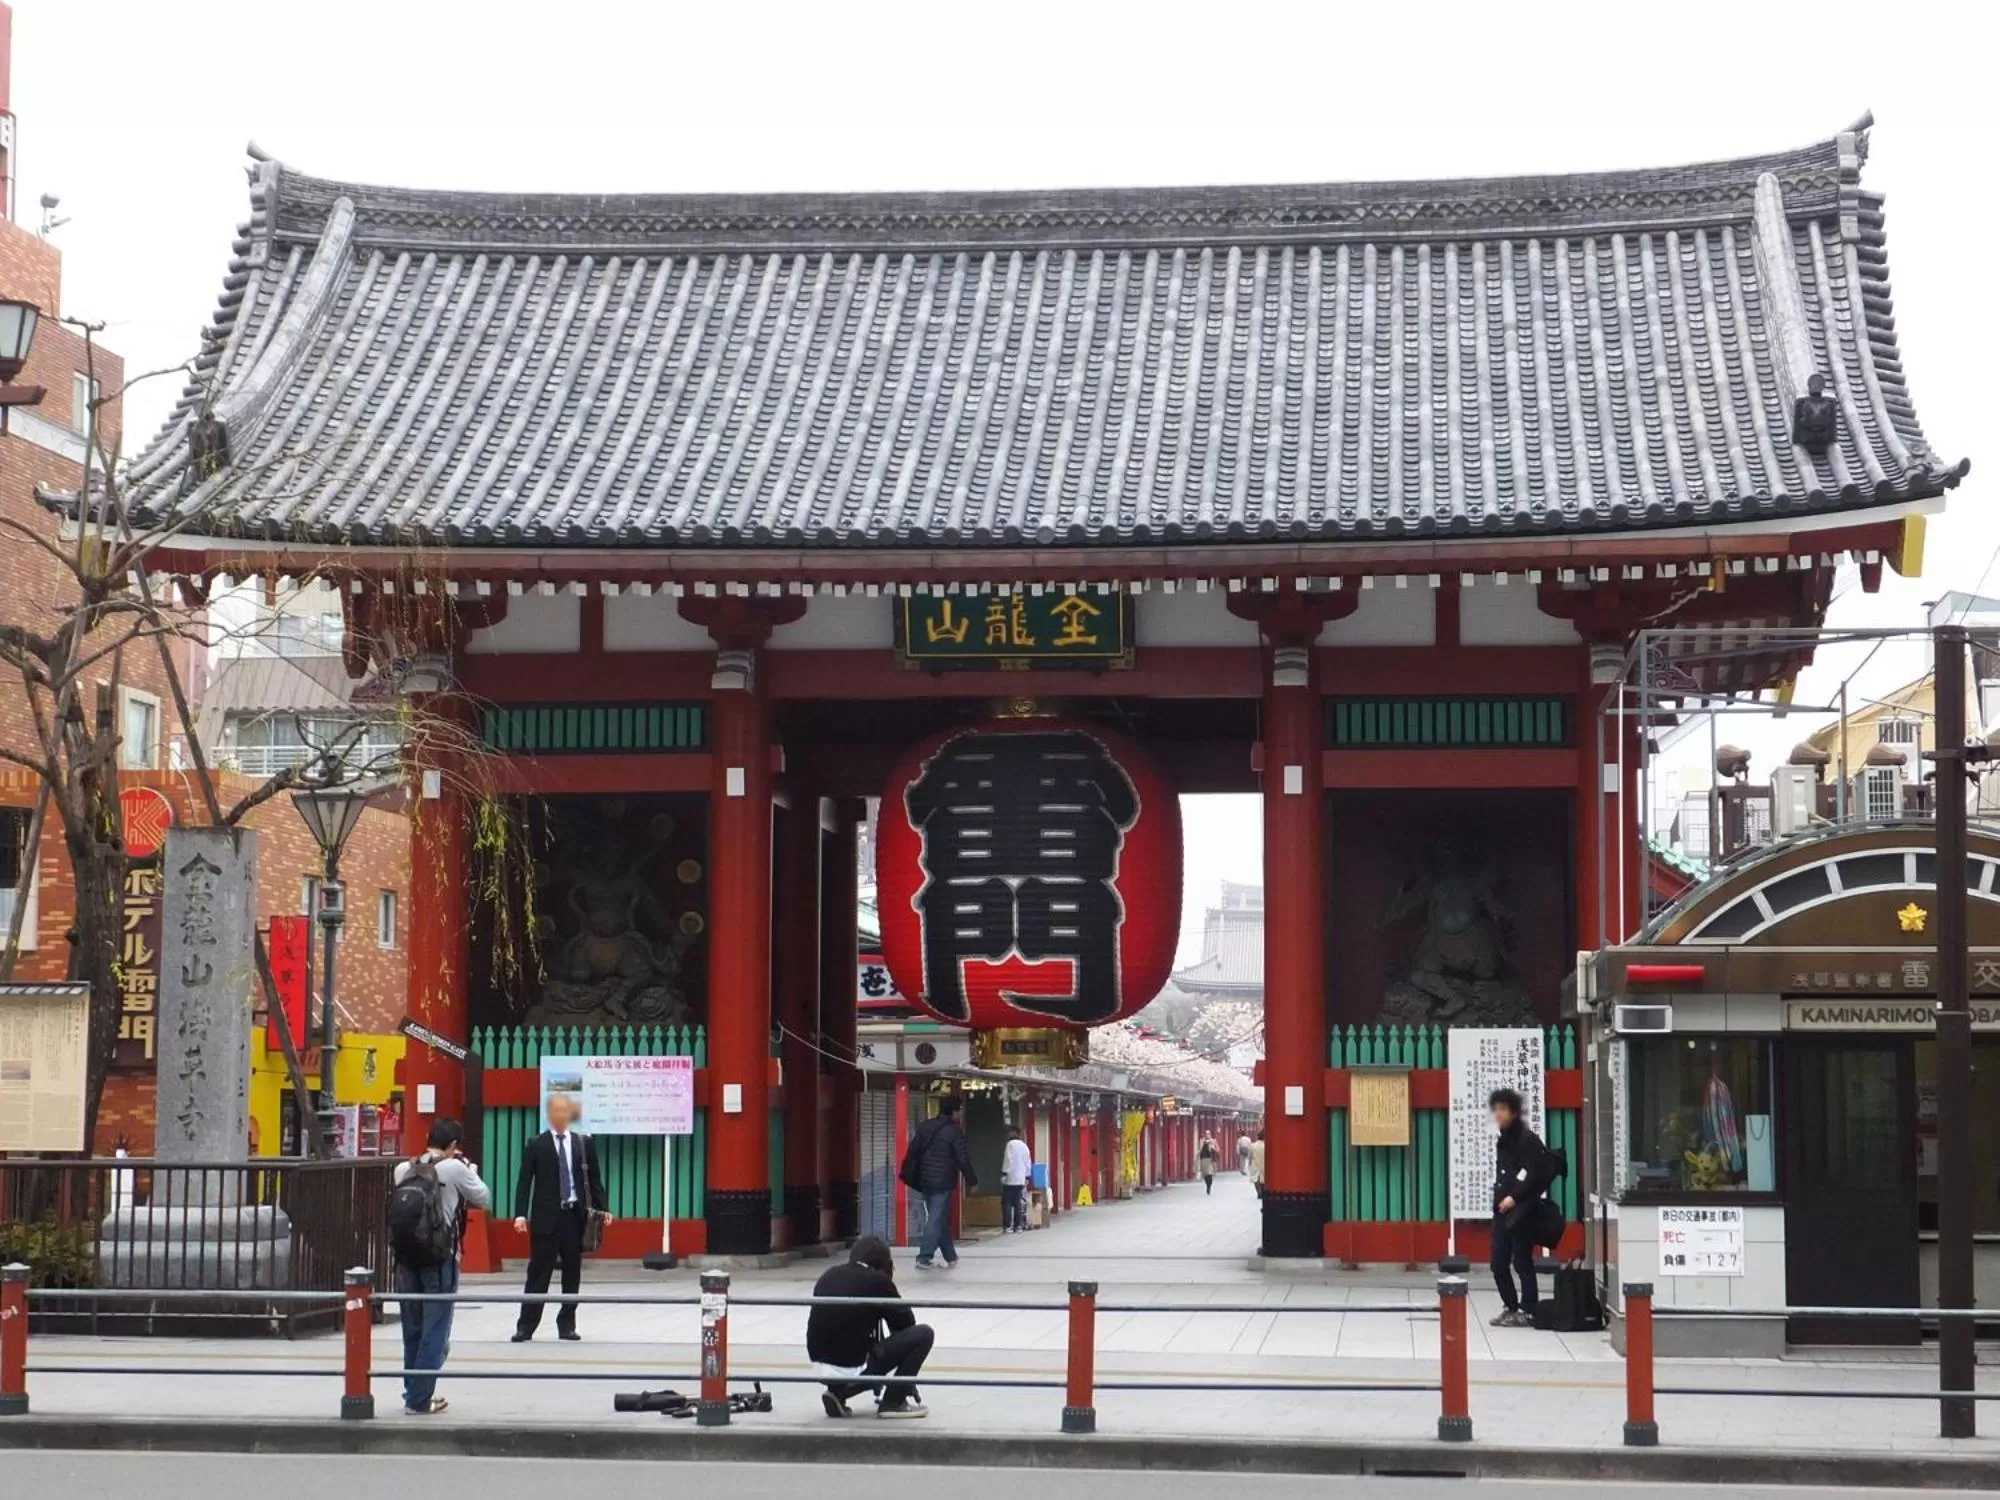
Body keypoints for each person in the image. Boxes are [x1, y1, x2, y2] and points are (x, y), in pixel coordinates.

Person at [391, 1118, 491, 1415]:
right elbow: (484, 1198)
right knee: (435, 1331)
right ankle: (419, 1400)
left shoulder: (403, 1169)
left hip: (407, 1259)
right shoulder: (454, 1168)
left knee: (413, 1329)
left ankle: (413, 1393)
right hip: (440, 1259)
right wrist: (470, 1170)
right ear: (453, 1146)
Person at [511, 1092, 609, 1342]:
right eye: (556, 1111)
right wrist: (520, 1214)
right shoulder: (536, 1144)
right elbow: (524, 1182)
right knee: (538, 1273)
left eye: (565, 1111)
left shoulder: (582, 1143)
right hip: (546, 1218)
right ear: (549, 1114)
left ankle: (567, 1324)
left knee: (572, 1273)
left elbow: (594, 1179)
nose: (561, 1115)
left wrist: (603, 1207)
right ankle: (526, 1325)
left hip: (574, 1217)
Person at [807, 1235, 933, 1420]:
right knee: (924, 1334)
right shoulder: (877, 1281)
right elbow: (907, 1325)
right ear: (884, 1262)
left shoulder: (829, 1275)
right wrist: (906, 1378)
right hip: (851, 1367)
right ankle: (894, 1401)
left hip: (819, 1366)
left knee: (845, 1342)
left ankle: (837, 1393)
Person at [1487, 1087, 1557, 1328]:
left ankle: (1528, 1309)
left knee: (1522, 1261)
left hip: (1522, 1210)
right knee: (1498, 1262)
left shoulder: (1526, 1139)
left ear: (1515, 1111)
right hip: (1501, 1209)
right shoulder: (1503, 1139)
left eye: (1503, 1109)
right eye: (1496, 1109)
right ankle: (1510, 1305)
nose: (1499, 1114)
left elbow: (1532, 1174)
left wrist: (1514, 1197)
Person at [907, 1097, 976, 1270]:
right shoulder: (954, 1131)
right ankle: (924, 1257)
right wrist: (972, 1180)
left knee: (939, 1218)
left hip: (924, 1180)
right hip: (942, 1181)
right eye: (959, 1110)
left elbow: (913, 1151)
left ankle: (950, 1256)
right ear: (953, 1112)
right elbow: (963, 1158)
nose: (960, 1114)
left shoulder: (924, 1127)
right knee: (936, 1218)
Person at [1000, 1126, 1033, 1233]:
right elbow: (1028, 1162)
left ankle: (1007, 1225)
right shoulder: (1025, 1146)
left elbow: (1008, 1160)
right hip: (1021, 1179)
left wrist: (1004, 1173)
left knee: (1007, 1203)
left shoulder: (1010, 1145)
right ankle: (1018, 1225)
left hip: (1010, 1179)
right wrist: (1027, 1176)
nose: (1008, 1134)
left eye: (1010, 1132)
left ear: (1014, 1133)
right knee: (1018, 1202)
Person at [1248, 1130, 1267, 1199]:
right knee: (1264, 1179)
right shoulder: (1267, 1145)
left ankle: (1259, 1192)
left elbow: (1250, 1156)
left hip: (1255, 1164)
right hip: (1265, 1164)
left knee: (1256, 1179)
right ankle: (1263, 1192)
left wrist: (1249, 1164)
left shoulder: (1253, 1145)